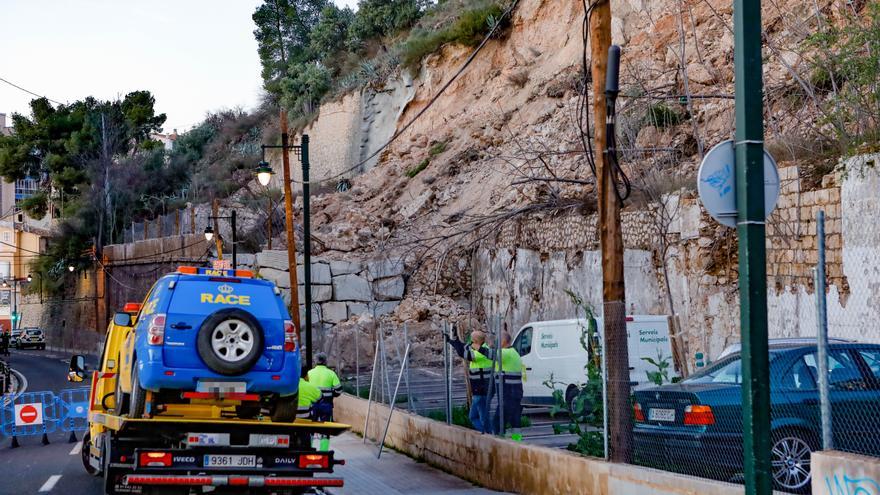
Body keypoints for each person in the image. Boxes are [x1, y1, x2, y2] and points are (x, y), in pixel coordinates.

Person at [446, 328, 495, 434]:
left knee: (483, 417)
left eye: (472, 340)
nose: (470, 342)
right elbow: (465, 347)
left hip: (482, 390)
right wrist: (453, 340)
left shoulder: (480, 354)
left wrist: (453, 342)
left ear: (476, 342)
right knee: (473, 416)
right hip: (481, 390)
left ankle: (489, 435)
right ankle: (487, 434)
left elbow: (462, 352)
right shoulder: (484, 348)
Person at [493, 332, 524, 441]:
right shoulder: (513, 352)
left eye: (497, 340)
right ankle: (517, 441)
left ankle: (498, 442)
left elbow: (489, 355)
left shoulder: (504, 353)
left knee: (498, 420)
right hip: (516, 391)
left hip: (508, 391)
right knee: (515, 418)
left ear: (503, 341)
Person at [307, 353, 342, 421]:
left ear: (315, 361)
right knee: (327, 426)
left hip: (312, 404)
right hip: (327, 403)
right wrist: (332, 394)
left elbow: (306, 387)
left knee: (312, 425)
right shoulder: (331, 373)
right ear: (326, 361)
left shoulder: (309, 373)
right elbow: (339, 390)